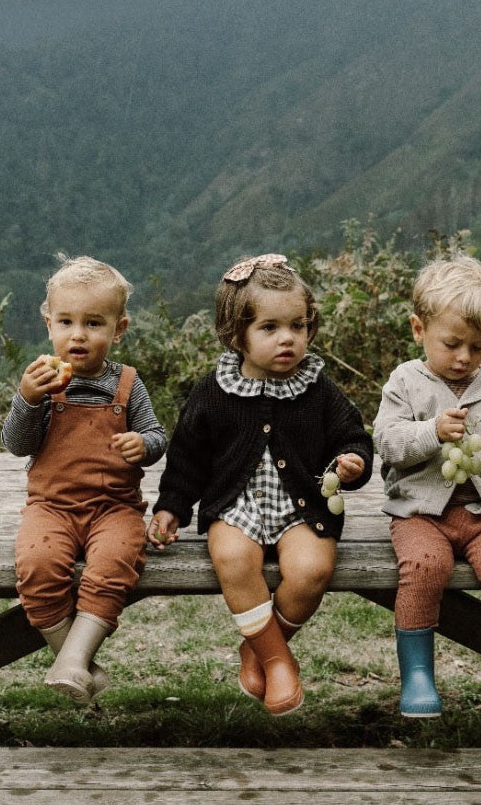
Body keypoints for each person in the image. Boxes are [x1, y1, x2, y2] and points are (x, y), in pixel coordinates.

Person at [149, 253, 374, 716]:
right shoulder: (216, 390)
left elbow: (352, 436)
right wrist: (171, 505)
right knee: (232, 557)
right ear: (237, 335)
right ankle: (279, 661)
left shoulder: (318, 387)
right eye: (269, 328)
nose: (287, 338)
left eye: (298, 326)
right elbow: (187, 457)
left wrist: (353, 462)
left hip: (301, 507)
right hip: (236, 506)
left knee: (312, 571)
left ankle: (259, 650)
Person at [373, 254, 481, 729]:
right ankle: (419, 675)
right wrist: (431, 432)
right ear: (418, 329)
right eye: (452, 344)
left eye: (477, 345)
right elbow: (386, 440)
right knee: (424, 569)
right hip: (419, 513)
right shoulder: (405, 383)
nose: (465, 357)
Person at [2, 254, 166, 705]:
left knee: (113, 564)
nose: (79, 334)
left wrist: (144, 445)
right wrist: (27, 399)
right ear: (48, 324)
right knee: (37, 566)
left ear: (119, 329)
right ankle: (75, 662)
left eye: (94, 323)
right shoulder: (42, 383)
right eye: (67, 322)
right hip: (50, 507)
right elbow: (17, 443)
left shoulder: (128, 384)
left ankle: (73, 662)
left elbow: (156, 434)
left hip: (114, 508)